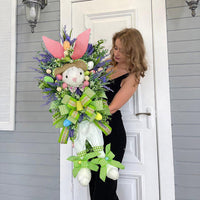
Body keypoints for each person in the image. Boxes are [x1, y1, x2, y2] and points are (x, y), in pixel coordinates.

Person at [89, 28, 148, 200]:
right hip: (93, 131)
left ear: (133, 51)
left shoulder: (132, 76)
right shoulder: (107, 65)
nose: (117, 53)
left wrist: (86, 114)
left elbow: (112, 107)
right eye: (115, 48)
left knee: (105, 188)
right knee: (93, 184)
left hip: (111, 133)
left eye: (122, 50)